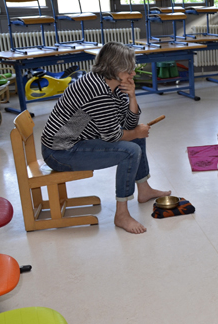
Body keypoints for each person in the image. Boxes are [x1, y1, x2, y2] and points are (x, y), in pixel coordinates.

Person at [40, 42, 170, 235]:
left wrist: (132, 97)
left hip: (75, 143)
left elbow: (128, 125)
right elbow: (112, 136)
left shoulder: (111, 85)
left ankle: (144, 190)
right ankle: (121, 214)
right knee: (131, 150)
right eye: (129, 69)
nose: (133, 73)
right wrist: (136, 132)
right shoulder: (96, 90)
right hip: (60, 152)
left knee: (136, 135)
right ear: (115, 68)